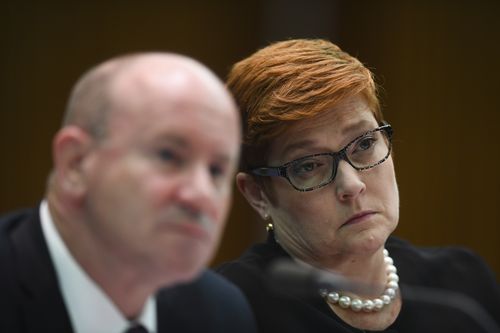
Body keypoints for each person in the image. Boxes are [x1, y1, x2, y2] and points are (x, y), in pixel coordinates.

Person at [216, 39, 500, 333]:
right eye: (308, 166)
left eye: (364, 143)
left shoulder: (460, 286)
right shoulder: (227, 309)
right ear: (257, 193)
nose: (351, 185)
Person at [0, 52, 257, 333]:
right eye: (169, 156)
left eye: (216, 171)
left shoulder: (220, 314)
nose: (201, 195)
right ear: (76, 163)